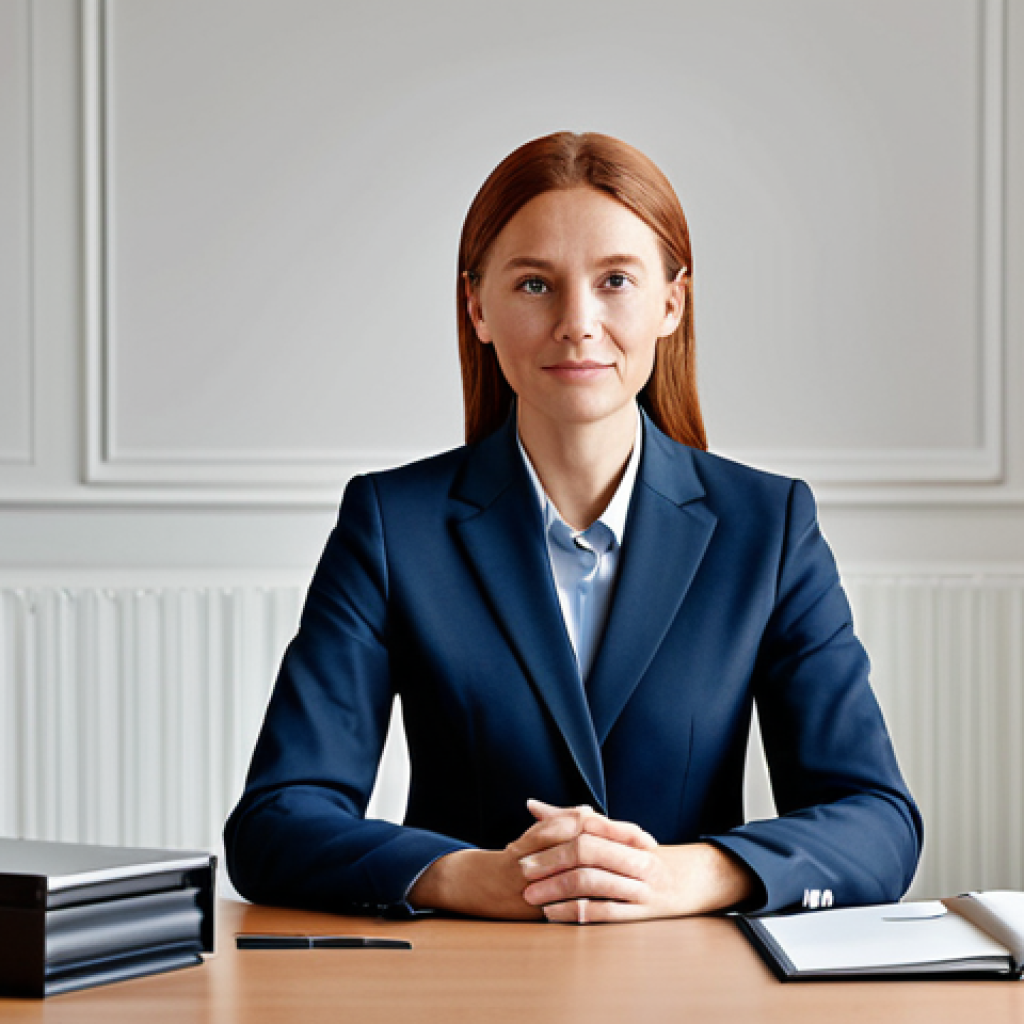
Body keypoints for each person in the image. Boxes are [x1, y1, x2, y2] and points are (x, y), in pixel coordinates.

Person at [224, 132, 922, 924]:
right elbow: (275, 823)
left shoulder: (769, 526)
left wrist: (690, 876)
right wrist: (465, 876)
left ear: (672, 303)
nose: (577, 323)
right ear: (477, 308)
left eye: (616, 280)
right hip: (461, 982)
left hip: (689, 986)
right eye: (534, 285)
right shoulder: (391, 524)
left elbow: (876, 822)